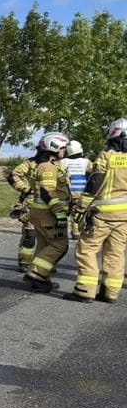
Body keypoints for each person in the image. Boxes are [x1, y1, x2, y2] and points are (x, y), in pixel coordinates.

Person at [66, 119, 127, 303]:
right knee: (115, 253)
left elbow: (95, 182)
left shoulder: (106, 156)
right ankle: (110, 293)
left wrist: (81, 207)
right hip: (124, 217)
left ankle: (85, 290)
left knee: (86, 250)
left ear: (112, 134)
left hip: (102, 215)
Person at [22, 132, 71, 292]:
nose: (64, 151)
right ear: (54, 147)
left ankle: (42, 279)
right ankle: (36, 274)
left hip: (40, 213)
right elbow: (47, 191)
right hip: (48, 215)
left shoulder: (50, 165)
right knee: (59, 245)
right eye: (63, 148)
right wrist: (59, 213)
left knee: (44, 246)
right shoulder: (47, 167)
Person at [7, 153, 41, 271]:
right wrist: (26, 188)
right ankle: (24, 262)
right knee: (30, 236)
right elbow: (12, 176)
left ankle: (44, 267)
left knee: (49, 239)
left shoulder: (59, 164)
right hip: (32, 204)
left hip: (52, 205)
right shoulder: (31, 163)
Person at [61, 140, 93, 239]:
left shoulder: (63, 162)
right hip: (82, 192)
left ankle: (66, 231)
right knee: (78, 212)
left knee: (68, 211)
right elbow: (93, 174)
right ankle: (76, 232)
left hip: (68, 192)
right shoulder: (86, 162)